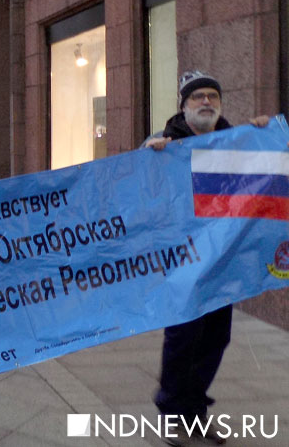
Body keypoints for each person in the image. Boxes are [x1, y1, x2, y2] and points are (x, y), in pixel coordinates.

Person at [146, 71, 268, 447]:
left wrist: (265, 136)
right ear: (183, 106)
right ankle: (171, 413)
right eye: (197, 96)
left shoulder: (236, 141)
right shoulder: (166, 145)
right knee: (184, 337)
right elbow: (140, 190)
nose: (205, 102)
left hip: (223, 262)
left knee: (216, 337)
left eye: (212, 96)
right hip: (183, 261)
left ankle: (195, 413)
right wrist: (147, 154)